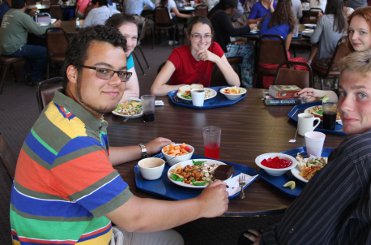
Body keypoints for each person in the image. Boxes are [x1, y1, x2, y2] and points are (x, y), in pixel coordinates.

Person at [10, 25, 229, 244]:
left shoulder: (62, 113)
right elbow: (134, 217)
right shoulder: (74, 143)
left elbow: (99, 156)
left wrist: (145, 149)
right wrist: (202, 206)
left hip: (81, 226)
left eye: (121, 72)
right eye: (103, 71)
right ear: (73, 73)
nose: (116, 82)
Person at [242, 50, 371, 245]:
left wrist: (268, 239)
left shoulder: (358, 154)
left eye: (361, 95)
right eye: (342, 93)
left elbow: (298, 236)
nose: (343, 106)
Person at [299, 6, 371, 102]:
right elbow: (343, 95)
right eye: (351, 31)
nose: (353, 37)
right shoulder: (356, 60)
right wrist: (318, 94)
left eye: (362, 32)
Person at [151, 16, 240, 96]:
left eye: (207, 35)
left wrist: (216, 59)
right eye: (197, 35)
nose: (202, 41)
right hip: (179, 102)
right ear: (189, 36)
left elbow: (236, 83)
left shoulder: (214, 48)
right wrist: (188, 87)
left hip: (203, 102)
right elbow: (155, 90)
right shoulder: (178, 54)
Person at [0, 0, 61, 85]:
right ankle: (36, 78)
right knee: (43, 51)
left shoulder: (8, 13)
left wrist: (29, 16)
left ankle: (27, 74)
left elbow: (19, 23)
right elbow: (39, 31)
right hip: (14, 48)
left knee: (34, 44)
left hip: (3, 48)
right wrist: (54, 25)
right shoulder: (22, 16)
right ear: (25, 5)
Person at [209, 0, 257, 87]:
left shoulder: (214, 12)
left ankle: (238, 75)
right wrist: (248, 28)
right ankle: (247, 83)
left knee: (243, 46)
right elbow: (233, 32)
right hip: (220, 50)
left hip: (214, 48)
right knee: (249, 49)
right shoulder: (221, 15)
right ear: (230, 8)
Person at [106, 13, 140, 101]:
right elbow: (91, 99)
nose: (129, 44)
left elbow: (134, 93)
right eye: (124, 37)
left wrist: (110, 96)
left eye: (134, 37)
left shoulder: (127, 57)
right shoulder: (97, 57)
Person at [308, 0, 347, 65]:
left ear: (328, 5)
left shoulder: (324, 19)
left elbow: (313, 40)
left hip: (324, 61)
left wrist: (319, 22)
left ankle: (308, 63)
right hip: (338, 63)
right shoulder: (344, 20)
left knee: (316, 43)